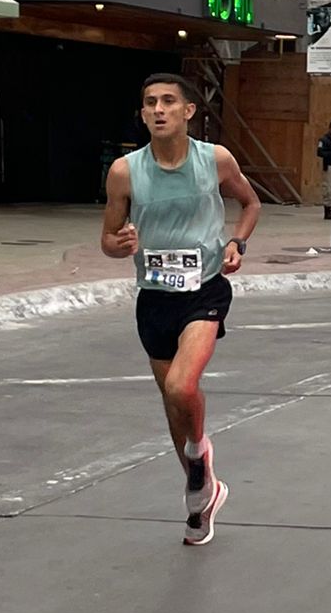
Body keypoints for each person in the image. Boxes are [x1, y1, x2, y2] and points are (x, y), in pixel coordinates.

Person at [101, 72, 263, 546]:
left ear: (188, 111)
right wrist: (121, 241)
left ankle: (200, 453)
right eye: (150, 102)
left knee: (181, 385)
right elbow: (108, 241)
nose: (158, 110)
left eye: (169, 101)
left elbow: (250, 204)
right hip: (154, 298)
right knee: (173, 404)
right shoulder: (124, 172)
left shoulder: (214, 160)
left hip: (205, 289)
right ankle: (201, 497)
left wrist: (237, 242)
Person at [317, 120, 331, 220]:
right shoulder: (324, 140)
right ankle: (327, 209)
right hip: (329, 166)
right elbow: (319, 152)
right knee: (328, 189)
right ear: (330, 129)